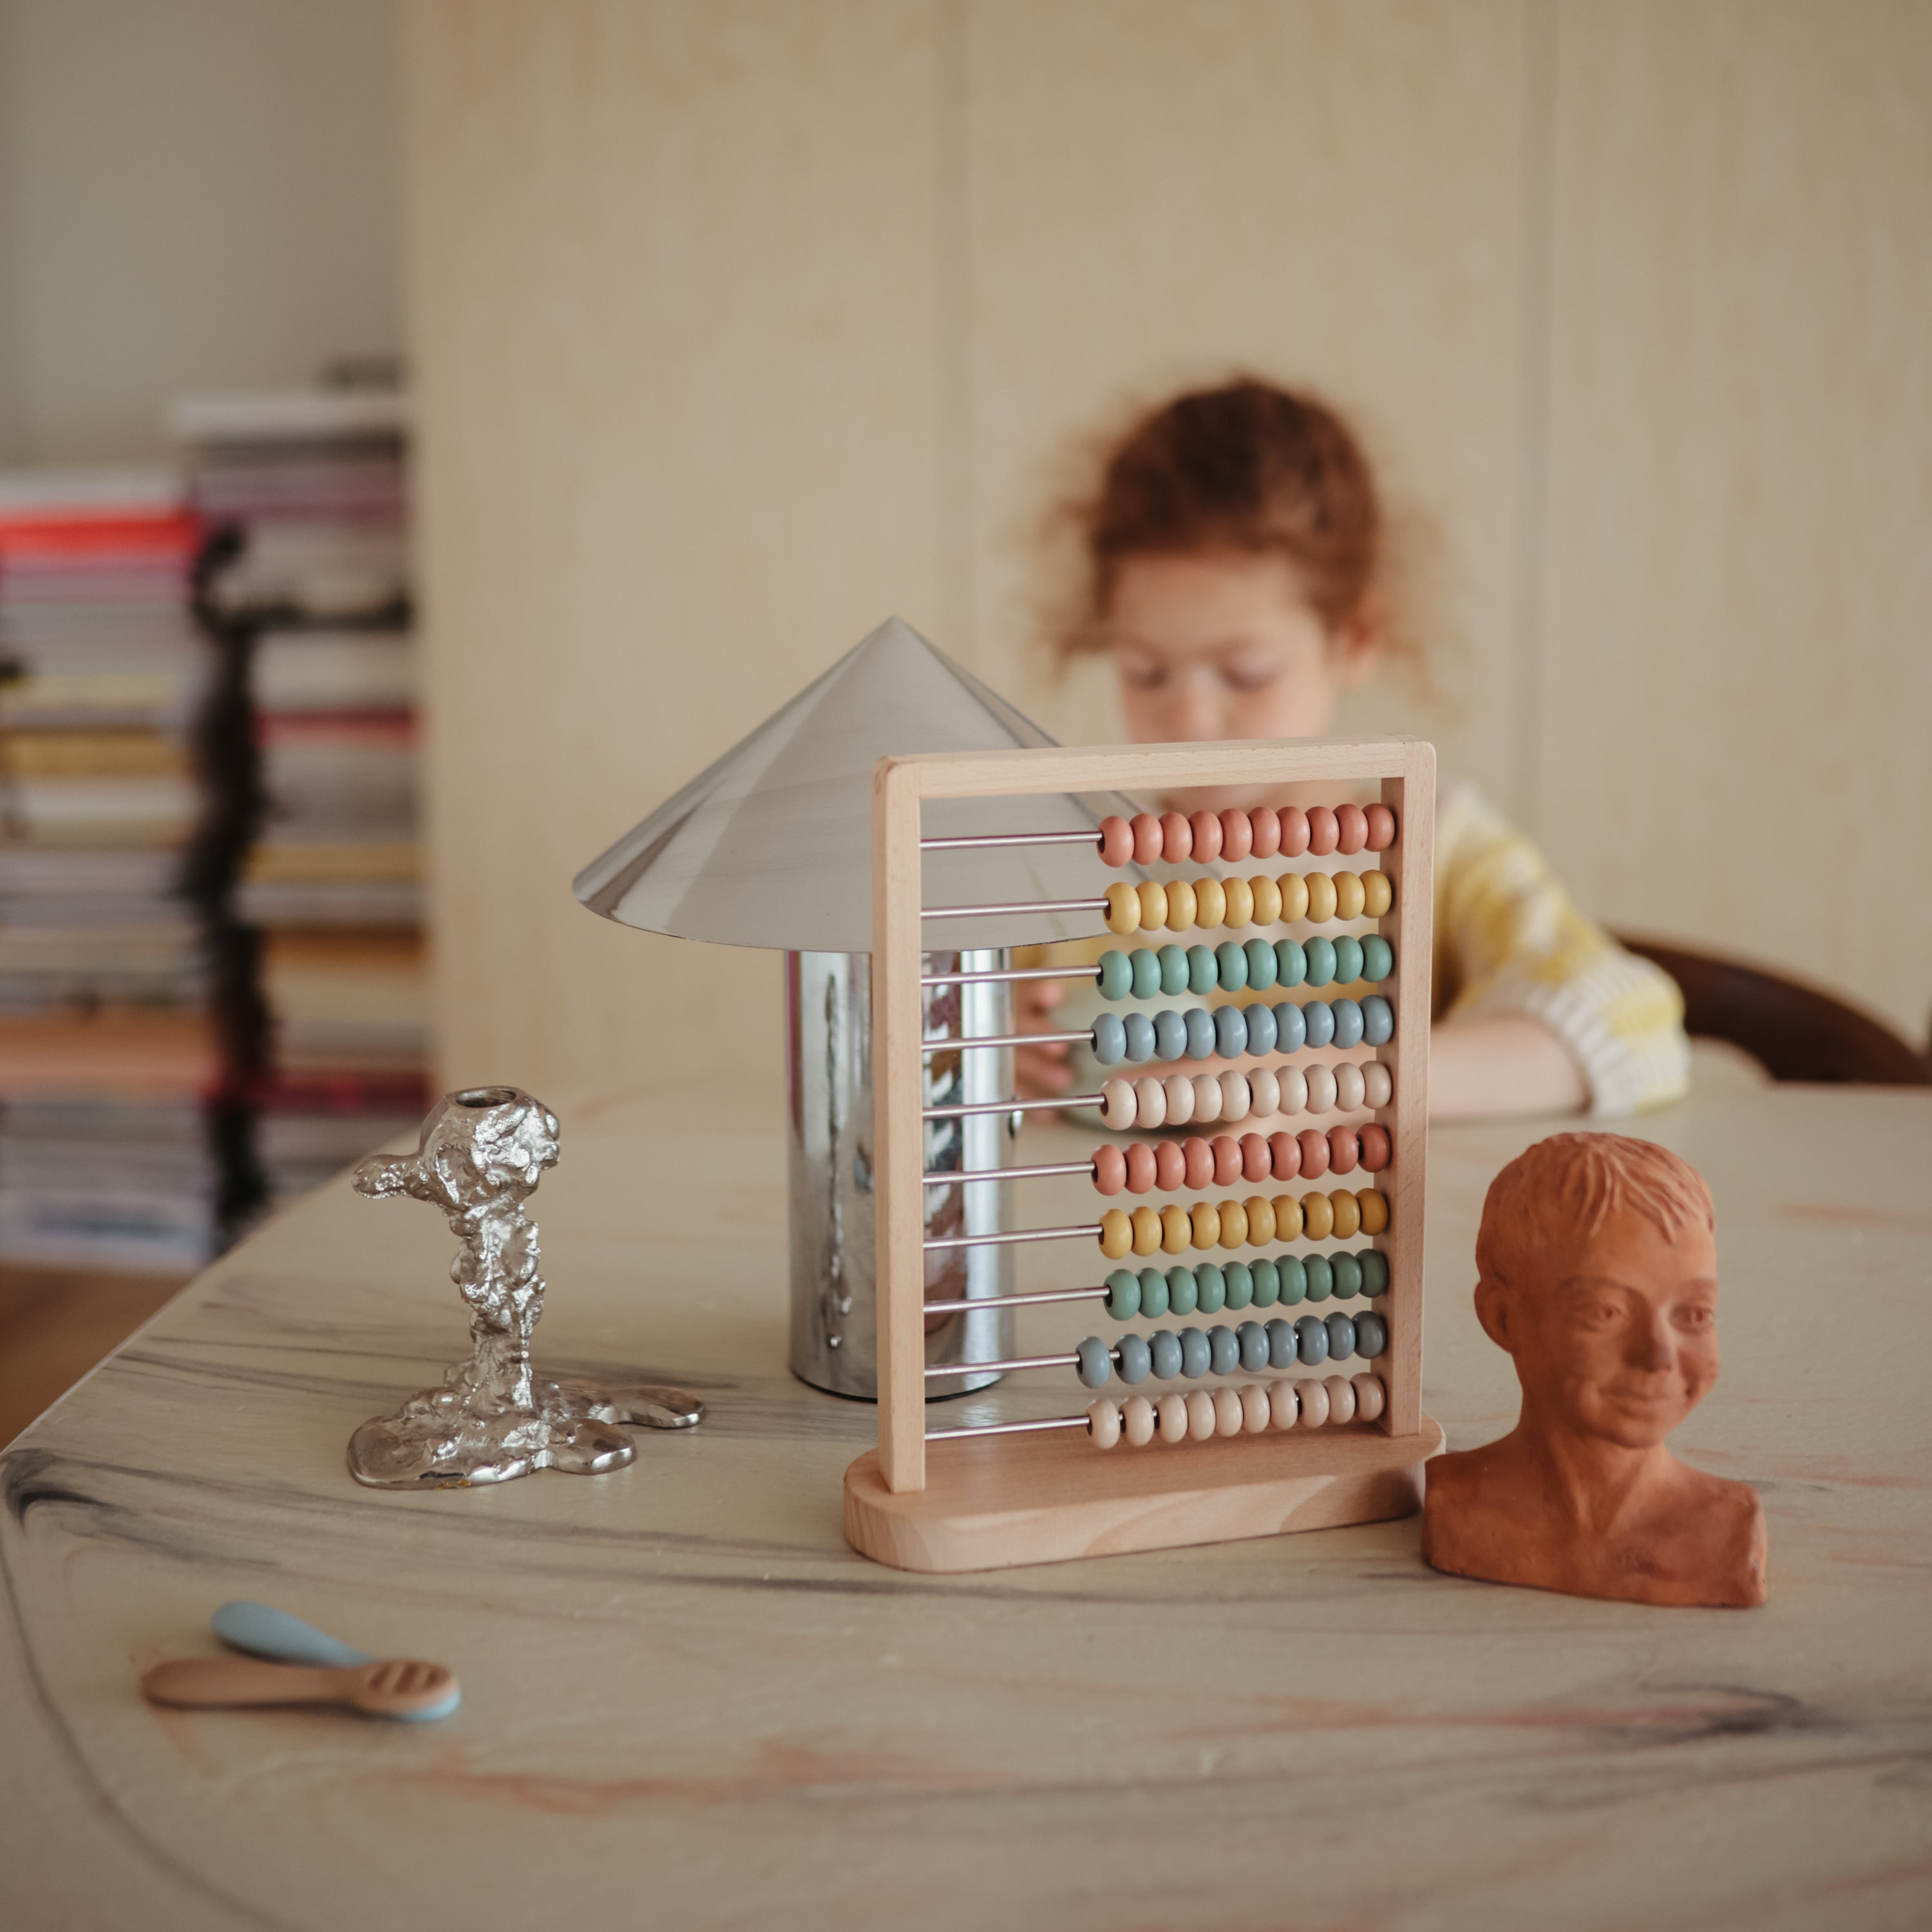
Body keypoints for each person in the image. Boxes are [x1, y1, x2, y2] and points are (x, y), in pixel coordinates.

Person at [1018, 377, 1689, 1120]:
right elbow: (939, 1027)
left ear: (1355, 638)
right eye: (1145, 672)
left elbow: (1630, 1029)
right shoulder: (1086, 863)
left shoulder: (1440, 851)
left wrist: (1341, 1076)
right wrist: (986, 1055)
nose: (1191, 717)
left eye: (1245, 673)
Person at [1419, 1132, 1766, 1607]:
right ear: (1504, 1320)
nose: (1659, 1355)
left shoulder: (1726, 1529)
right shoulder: (1455, 1500)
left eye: (1694, 1314)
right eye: (1606, 1312)